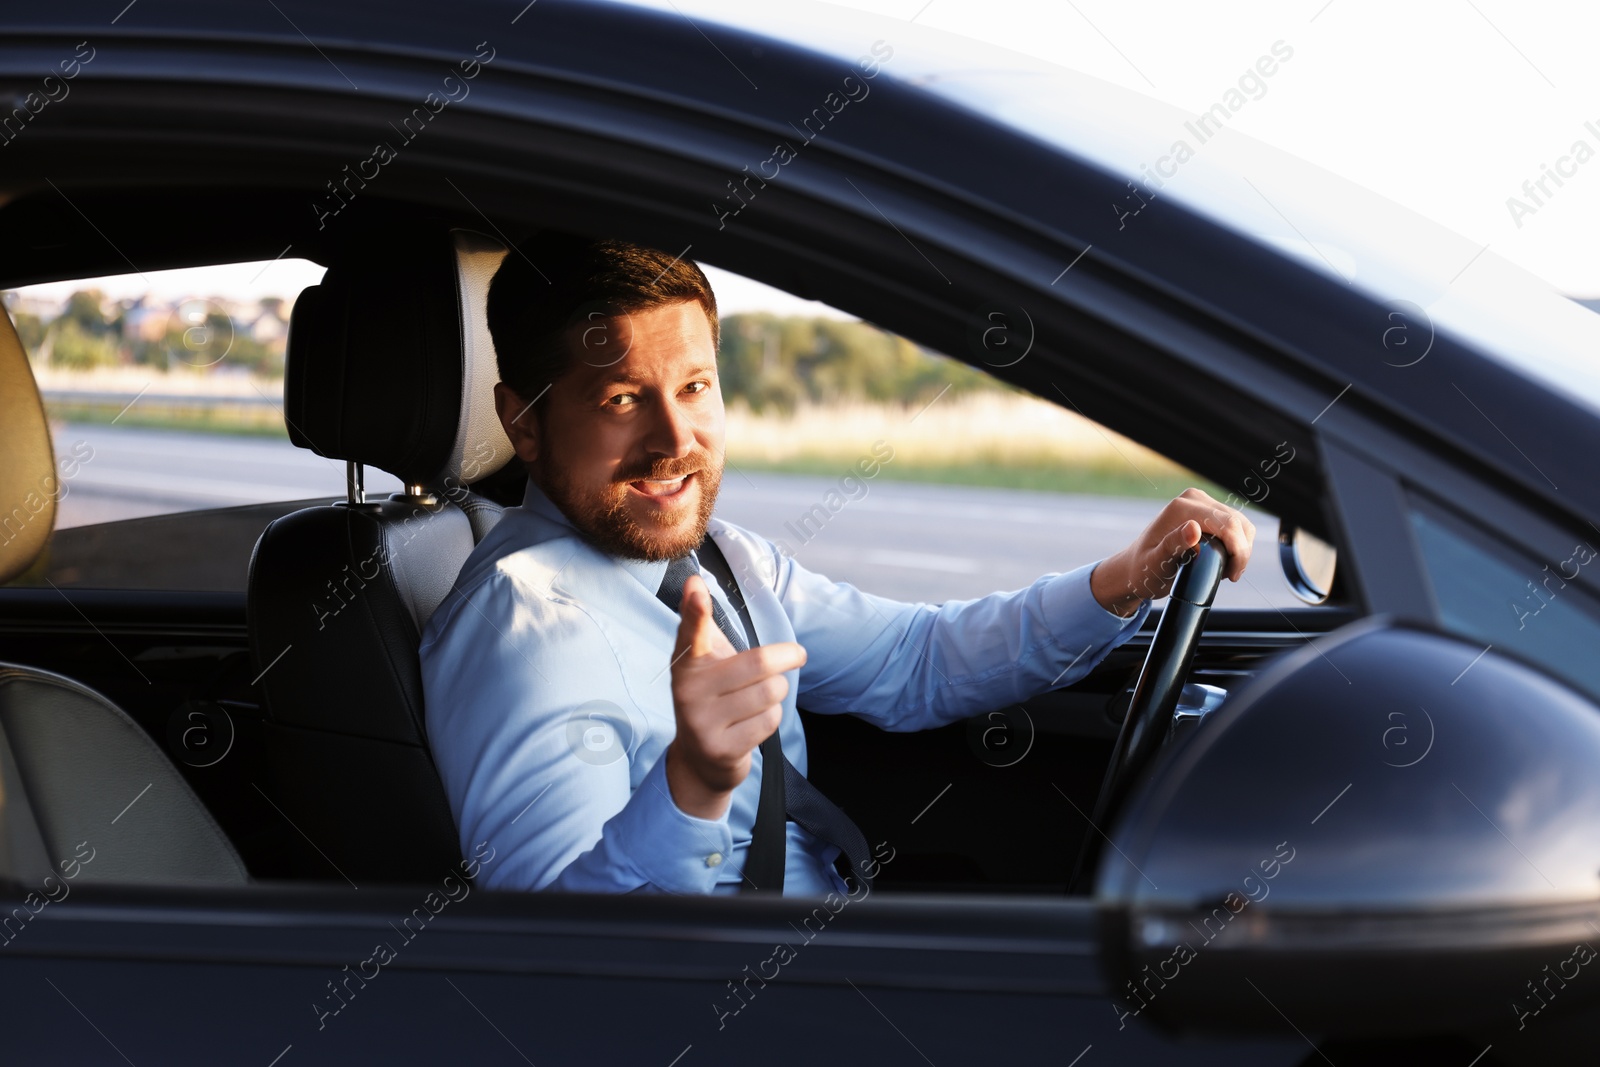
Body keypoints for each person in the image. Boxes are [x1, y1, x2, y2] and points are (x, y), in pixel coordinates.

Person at [419, 234, 1255, 896]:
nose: (677, 443)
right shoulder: (523, 621)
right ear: (523, 424)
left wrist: (1125, 578)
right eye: (622, 399)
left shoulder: (720, 556)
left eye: (697, 387)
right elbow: (551, 948)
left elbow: (913, 659)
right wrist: (694, 784)